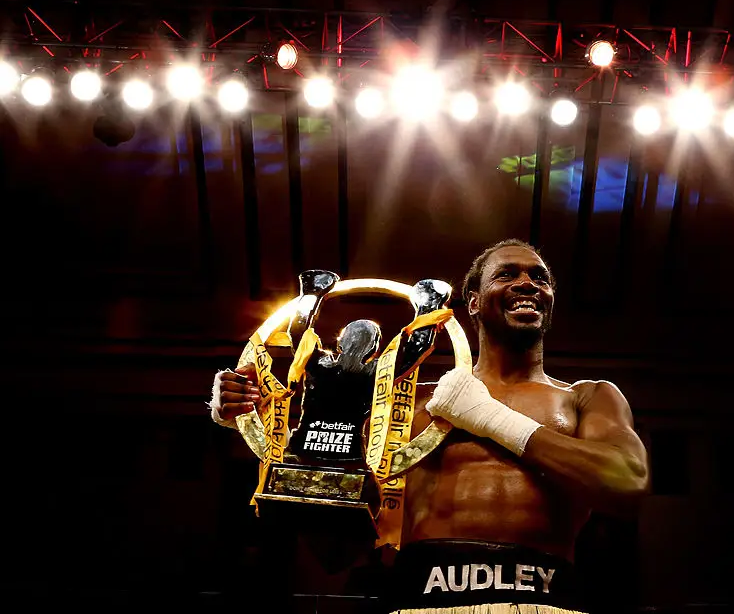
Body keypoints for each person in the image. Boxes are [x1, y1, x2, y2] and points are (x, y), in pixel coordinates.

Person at [210, 239, 650, 614]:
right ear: (472, 302)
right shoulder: (407, 404)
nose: (527, 284)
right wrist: (257, 419)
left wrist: (489, 419)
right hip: (420, 597)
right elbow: (335, 551)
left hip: (546, 598)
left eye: (540, 277)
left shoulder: (588, 397)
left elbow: (627, 483)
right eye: (507, 275)